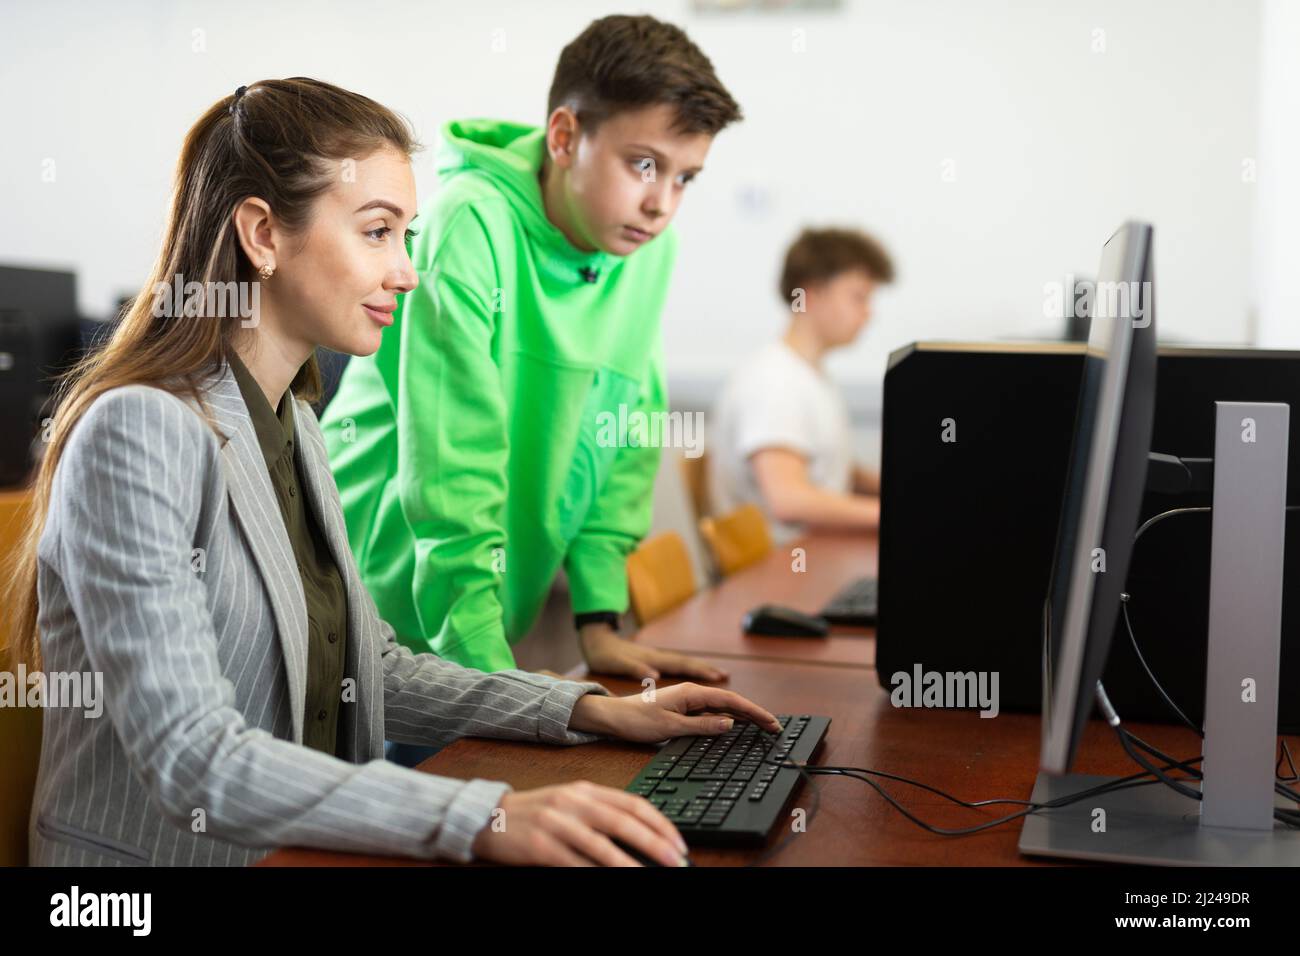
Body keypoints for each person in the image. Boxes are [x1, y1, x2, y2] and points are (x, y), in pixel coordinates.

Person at [6, 78, 781, 868]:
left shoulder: (297, 426)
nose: (406, 273)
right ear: (263, 235)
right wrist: (485, 815)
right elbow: (193, 758)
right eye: (378, 233)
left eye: (406, 236)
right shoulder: (138, 430)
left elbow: (371, 667)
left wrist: (588, 708)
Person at [321, 14, 741, 682]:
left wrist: (599, 621)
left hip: (481, 616)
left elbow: (626, 433)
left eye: (686, 177)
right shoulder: (470, 223)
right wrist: (493, 679)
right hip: (377, 595)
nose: (662, 203)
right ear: (566, 137)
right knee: (412, 782)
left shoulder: (641, 251)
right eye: (644, 165)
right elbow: (452, 462)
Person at [707, 227, 895, 542]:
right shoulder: (773, 381)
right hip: (778, 573)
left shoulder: (809, 375)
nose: (868, 313)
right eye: (858, 297)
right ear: (811, 293)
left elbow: (829, 469)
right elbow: (789, 501)